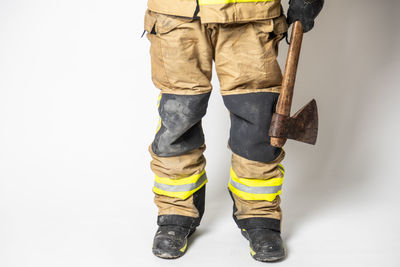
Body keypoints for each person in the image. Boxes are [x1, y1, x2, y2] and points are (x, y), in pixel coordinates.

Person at [143, 0, 323, 262]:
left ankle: (259, 215)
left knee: (258, 122)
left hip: (251, 13)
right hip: (176, 14)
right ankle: (177, 212)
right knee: (178, 118)